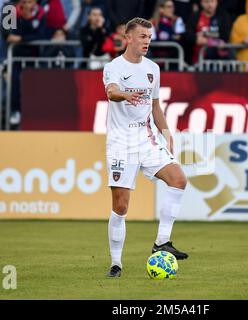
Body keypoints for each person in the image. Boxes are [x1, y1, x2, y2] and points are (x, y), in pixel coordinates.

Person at [102, 17, 188, 278]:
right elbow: (112, 92)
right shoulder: (113, 67)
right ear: (127, 38)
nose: (147, 41)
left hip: (146, 138)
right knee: (121, 206)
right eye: (142, 37)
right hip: (120, 142)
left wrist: (166, 132)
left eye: (149, 37)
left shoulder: (153, 68)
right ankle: (116, 263)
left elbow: (154, 106)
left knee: (178, 179)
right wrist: (125, 94)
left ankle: (162, 242)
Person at [183, 0, 232, 64]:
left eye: (212, 1)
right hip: (196, 62)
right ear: (201, 3)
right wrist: (196, 38)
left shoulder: (224, 16)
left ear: (217, 2)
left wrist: (205, 37)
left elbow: (226, 35)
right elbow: (188, 35)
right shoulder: (194, 16)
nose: (209, 4)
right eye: (206, 2)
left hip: (218, 62)